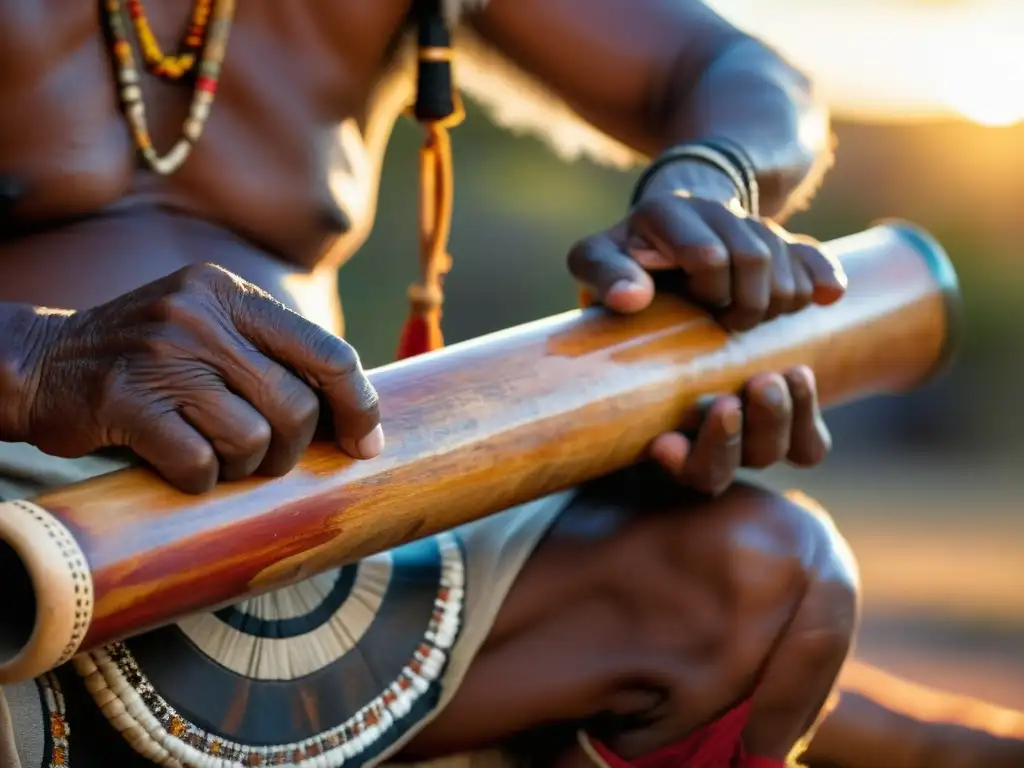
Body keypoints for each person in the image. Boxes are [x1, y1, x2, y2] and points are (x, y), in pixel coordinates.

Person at [0, 1, 1020, 766]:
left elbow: (728, 68)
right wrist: (39, 361)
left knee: (763, 575)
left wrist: (711, 182)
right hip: (17, 509)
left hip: (305, 519)